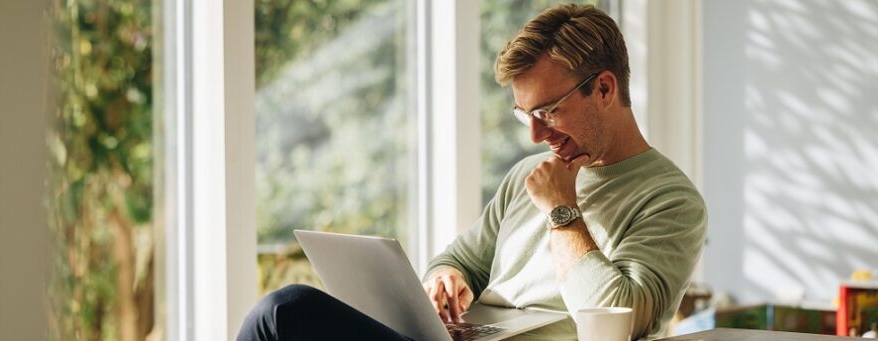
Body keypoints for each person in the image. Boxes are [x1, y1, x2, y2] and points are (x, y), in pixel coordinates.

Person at [238, 4, 707, 340]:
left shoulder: (671, 201)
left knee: (285, 311)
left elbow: (616, 319)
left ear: (603, 89)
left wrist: (562, 211)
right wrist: (445, 278)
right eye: (525, 115)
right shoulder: (528, 175)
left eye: (548, 111)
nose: (535, 135)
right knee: (280, 315)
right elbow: (460, 259)